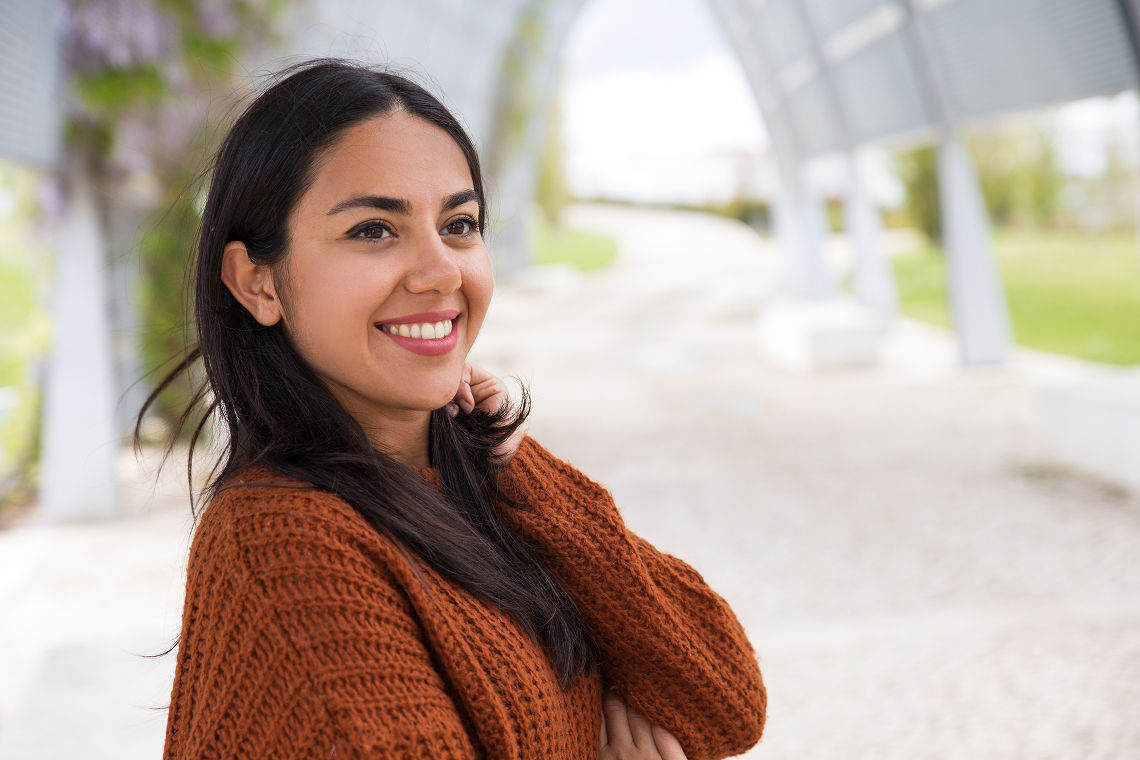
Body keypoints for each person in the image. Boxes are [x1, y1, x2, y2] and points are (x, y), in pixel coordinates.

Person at [143, 59, 766, 759]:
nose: (441, 271)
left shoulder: (479, 483)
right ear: (258, 283)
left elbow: (721, 701)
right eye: (374, 230)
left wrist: (516, 464)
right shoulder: (285, 542)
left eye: (460, 223)